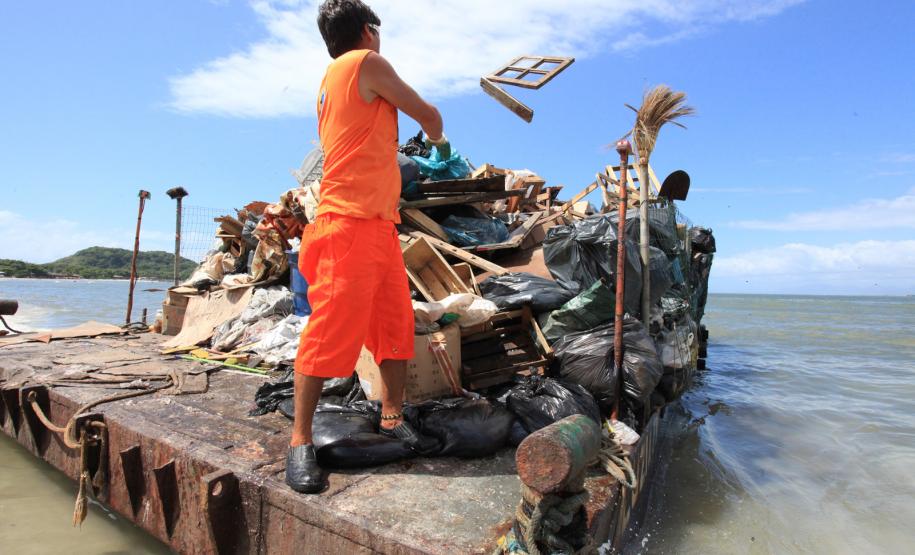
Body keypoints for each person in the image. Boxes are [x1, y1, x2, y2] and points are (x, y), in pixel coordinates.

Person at [286, 0, 451, 494]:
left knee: (394, 325)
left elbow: (368, 145)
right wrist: (439, 141)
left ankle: (392, 416)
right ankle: (298, 442)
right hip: (346, 225)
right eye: (377, 29)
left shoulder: (333, 82)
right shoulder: (364, 63)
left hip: (378, 225)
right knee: (330, 332)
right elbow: (429, 113)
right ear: (366, 30)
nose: (381, 37)